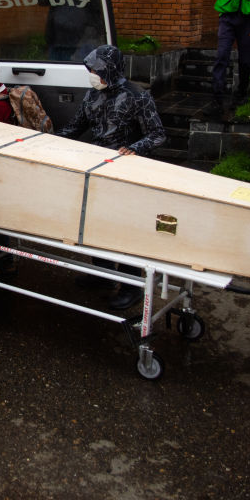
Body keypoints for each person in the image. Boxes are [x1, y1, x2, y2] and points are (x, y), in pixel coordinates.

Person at [59, 45, 167, 309]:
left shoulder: (137, 97)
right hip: (97, 170)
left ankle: (131, 285)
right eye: (90, 70)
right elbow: (76, 127)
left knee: (125, 230)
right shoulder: (91, 96)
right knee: (96, 224)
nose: (92, 75)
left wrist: (134, 148)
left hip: (128, 172)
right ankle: (104, 274)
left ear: (110, 69)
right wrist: (47, 140)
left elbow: (158, 134)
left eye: (95, 70)